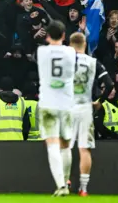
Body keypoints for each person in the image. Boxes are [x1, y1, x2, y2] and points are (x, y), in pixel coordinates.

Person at [68, 32, 113, 196]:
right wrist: (99, 101)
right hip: (86, 107)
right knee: (84, 149)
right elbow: (109, 84)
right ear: (84, 45)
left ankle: (65, 181)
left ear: (70, 45)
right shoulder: (93, 62)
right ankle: (84, 188)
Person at [36, 20, 76, 196]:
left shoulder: (41, 52)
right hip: (66, 103)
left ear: (47, 36)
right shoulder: (70, 52)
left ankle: (60, 184)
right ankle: (66, 183)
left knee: (52, 144)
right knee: (65, 145)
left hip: (48, 103)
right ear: (64, 35)